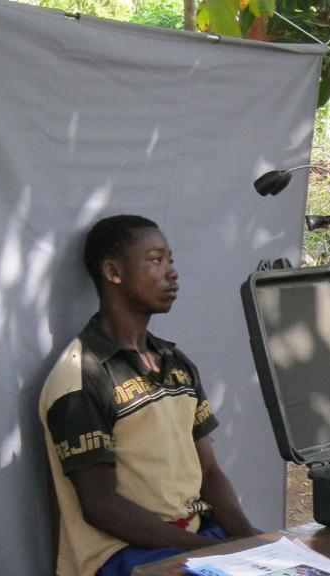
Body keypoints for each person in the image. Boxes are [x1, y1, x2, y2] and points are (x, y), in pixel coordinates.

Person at [39, 215, 254, 576]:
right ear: (113, 272)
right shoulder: (81, 378)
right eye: (156, 260)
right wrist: (211, 552)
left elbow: (209, 470)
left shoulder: (176, 363)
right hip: (122, 556)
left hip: (194, 538)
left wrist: (250, 541)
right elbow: (100, 505)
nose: (172, 272)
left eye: (170, 260)